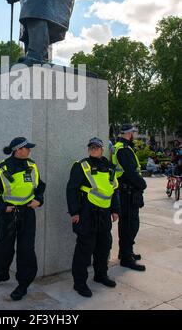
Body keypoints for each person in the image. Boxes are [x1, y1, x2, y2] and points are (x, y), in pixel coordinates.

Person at [0, 137, 46, 301]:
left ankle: (23, 284)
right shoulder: (1, 168)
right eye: (27, 148)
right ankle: (1, 274)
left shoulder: (32, 165)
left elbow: (40, 186)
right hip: (8, 215)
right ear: (18, 150)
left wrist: (39, 200)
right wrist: (2, 207)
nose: (29, 150)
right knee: (3, 248)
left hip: (27, 214)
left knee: (26, 250)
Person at [66, 137, 119, 298]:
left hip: (104, 213)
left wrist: (115, 210)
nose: (94, 149)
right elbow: (71, 190)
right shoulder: (81, 166)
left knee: (104, 246)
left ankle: (101, 275)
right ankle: (79, 283)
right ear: (88, 149)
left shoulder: (110, 168)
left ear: (102, 149)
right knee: (84, 249)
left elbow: (114, 190)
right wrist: (74, 212)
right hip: (86, 212)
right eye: (91, 147)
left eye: (97, 147)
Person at [112, 124, 147, 271]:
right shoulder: (124, 149)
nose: (133, 134)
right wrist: (143, 184)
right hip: (127, 192)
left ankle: (125, 252)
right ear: (130, 133)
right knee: (130, 225)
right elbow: (131, 172)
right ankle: (126, 258)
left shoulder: (119, 147)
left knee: (126, 224)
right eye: (133, 132)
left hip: (125, 191)